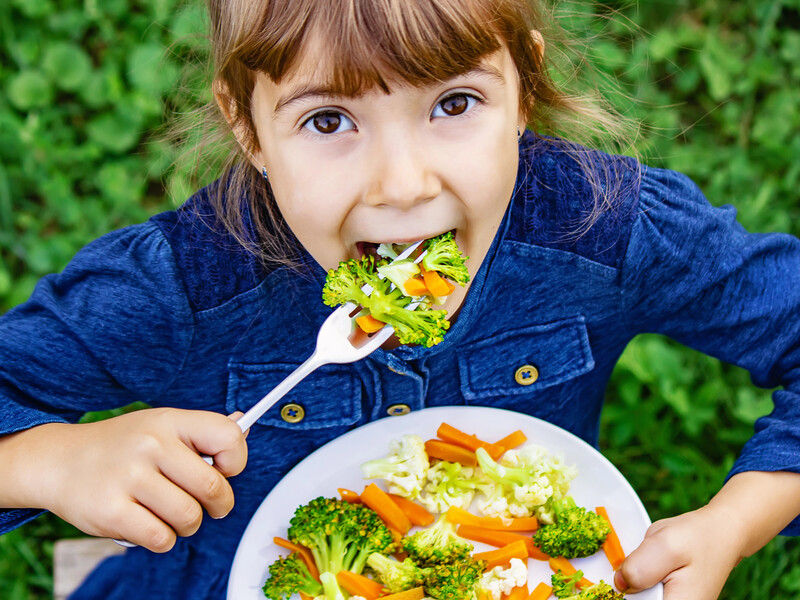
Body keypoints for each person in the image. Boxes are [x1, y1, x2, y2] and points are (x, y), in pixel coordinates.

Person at [1, 0, 799, 598]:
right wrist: (51, 464)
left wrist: (734, 523)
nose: (403, 185)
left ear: (523, 90)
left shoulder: (601, 230)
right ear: (247, 127)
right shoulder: (182, 285)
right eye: (329, 120)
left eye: (453, 104)